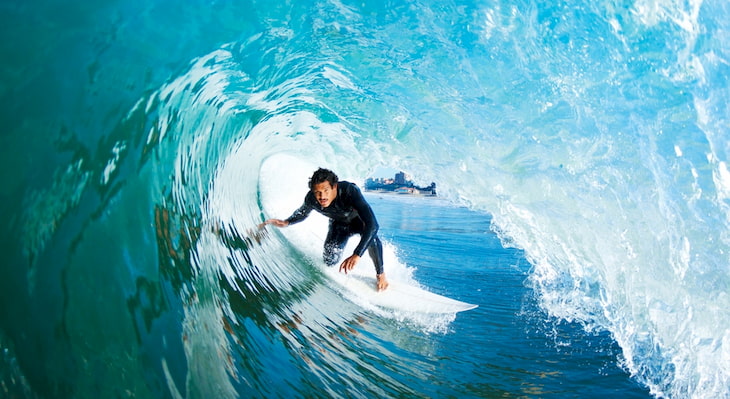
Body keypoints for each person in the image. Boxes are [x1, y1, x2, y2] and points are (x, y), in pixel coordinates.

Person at [262, 168, 389, 291]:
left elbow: (373, 225)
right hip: (339, 226)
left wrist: (357, 254)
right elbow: (302, 213)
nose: (322, 196)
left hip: (359, 223)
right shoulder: (311, 198)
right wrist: (287, 222)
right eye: (317, 192)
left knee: (372, 238)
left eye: (326, 190)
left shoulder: (350, 191)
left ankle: (380, 274)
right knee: (329, 260)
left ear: (334, 187)